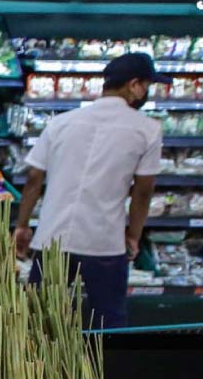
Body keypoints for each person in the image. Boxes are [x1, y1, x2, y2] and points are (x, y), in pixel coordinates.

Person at [12, 50, 167, 329]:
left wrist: (22, 225)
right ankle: (106, 371)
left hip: (53, 239)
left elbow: (35, 178)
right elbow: (143, 191)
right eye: (147, 85)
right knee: (108, 320)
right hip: (104, 242)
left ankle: (43, 372)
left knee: (40, 321)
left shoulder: (61, 123)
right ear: (134, 85)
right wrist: (134, 235)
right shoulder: (147, 130)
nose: (147, 92)